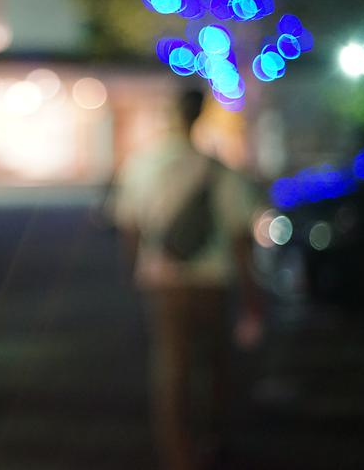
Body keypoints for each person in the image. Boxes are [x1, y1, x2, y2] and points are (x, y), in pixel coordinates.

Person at [107, 89, 263, 470]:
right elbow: (241, 237)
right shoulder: (217, 168)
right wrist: (251, 295)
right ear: (200, 115)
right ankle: (215, 441)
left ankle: (178, 455)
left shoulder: (143, 164)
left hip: (163, 283)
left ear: (172, 114)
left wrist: (135, 272)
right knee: (216, 367)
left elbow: (128, 226)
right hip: (213, 281)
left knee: (171, 371)